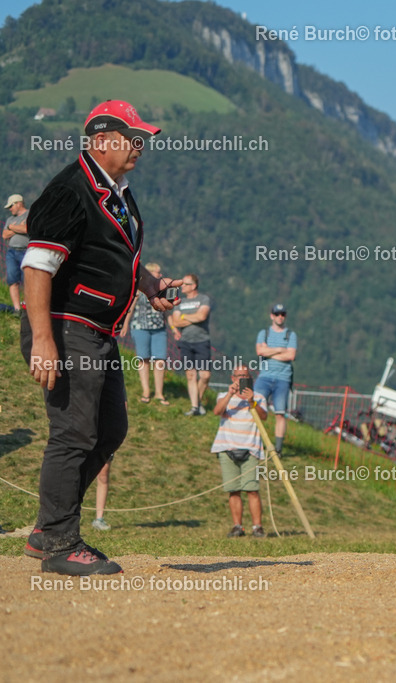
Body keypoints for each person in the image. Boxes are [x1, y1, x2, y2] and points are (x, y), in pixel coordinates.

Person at [20, 100, 175, 575]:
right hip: (67, 328)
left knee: (110, 431)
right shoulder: (71, 189)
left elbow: (111, 256)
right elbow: (36, 265)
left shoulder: (117, 190)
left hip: (97, 331)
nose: (141, 147)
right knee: (74, 433)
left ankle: (50, 529)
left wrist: (149, 287)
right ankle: (60, 543)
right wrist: (44, 341)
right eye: (134, 138)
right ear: (103, 140)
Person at [212, 365, 269, 538]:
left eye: (245, 376)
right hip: (227, 447)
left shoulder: (258, 397)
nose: (241, 379)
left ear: (250, 378)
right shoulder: (223, 396)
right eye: (238, 376)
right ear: (232, 378)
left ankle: (257, 527)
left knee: (252, 489)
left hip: (250, 448)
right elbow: (217, 411)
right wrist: (230, 394)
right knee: (233, 490)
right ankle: (238, 526)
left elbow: (264, 416)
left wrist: (251, 401)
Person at [122, 262, 169, 405]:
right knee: (144, 359)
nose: (160, 275)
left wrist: (172, 327)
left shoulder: (161, 289)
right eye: (157, 272)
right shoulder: (139, 289)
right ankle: (146, 391)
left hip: (159, 328)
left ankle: (159, 393)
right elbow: (130, 307)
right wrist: (125, 325)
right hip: (140, 326)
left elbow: (166, 308)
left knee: (160, 360)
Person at [255, 303, 298, 454]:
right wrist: (280, 350)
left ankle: (278, 449)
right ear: (272, 316)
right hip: (264, 376)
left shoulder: (291, 335)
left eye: (283, 314)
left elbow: (291, 356)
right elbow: (260, 351)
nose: (280, 317)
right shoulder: (264, 333)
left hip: (283, 379)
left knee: (280, 413)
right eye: (277, 314)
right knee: (256, 408)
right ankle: (255, 442)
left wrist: (269, 351)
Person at [171, 273, 212, 415]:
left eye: (185, 284)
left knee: (205, 375)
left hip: (202, 341)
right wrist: (192, 318)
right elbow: (175, 321)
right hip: (185, 342)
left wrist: (184, 316)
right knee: (190, 374)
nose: (182, 286)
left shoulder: (203, 299)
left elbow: (202, 316)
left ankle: (198, 401)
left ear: (193, 286)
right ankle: (195, 407)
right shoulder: (179, 302)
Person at [3, 193, 29, 306]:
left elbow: (27, 229)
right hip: (11, 252)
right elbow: (4, 235)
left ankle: (27, 306)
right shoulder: (10, 219)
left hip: (26, 251)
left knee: (27, 281)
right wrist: (17, 228)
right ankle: (17, 308)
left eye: (11, 206)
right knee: (12, 280)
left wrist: (12, 228)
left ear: (19, 204)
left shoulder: (29, 215)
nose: (10, 209)